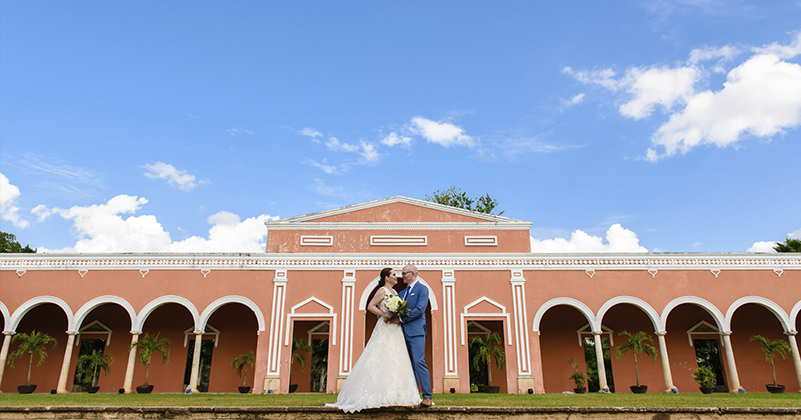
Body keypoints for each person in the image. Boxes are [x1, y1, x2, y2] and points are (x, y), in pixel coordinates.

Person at [326, 268, 421, 412]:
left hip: (396, 329)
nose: (397, 277)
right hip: (385, 327)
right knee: (379, 355)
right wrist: (384, 314)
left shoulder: (396, 293)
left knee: (396, 358)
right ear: (387, 278)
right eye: (394, 275)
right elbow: (370, 306)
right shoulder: (382, 291)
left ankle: (396, 394)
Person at [395, 264, 434, 408]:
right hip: (401, 333)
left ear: (412, 273)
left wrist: (400, 319)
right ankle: (412, 395)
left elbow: (419, 310)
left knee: (419, 362)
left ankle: (427, 396)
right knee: (408, 365)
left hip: (416, 332)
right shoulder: (401, 293)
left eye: (404, 273)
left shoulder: (422, 289)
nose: (402, 276)